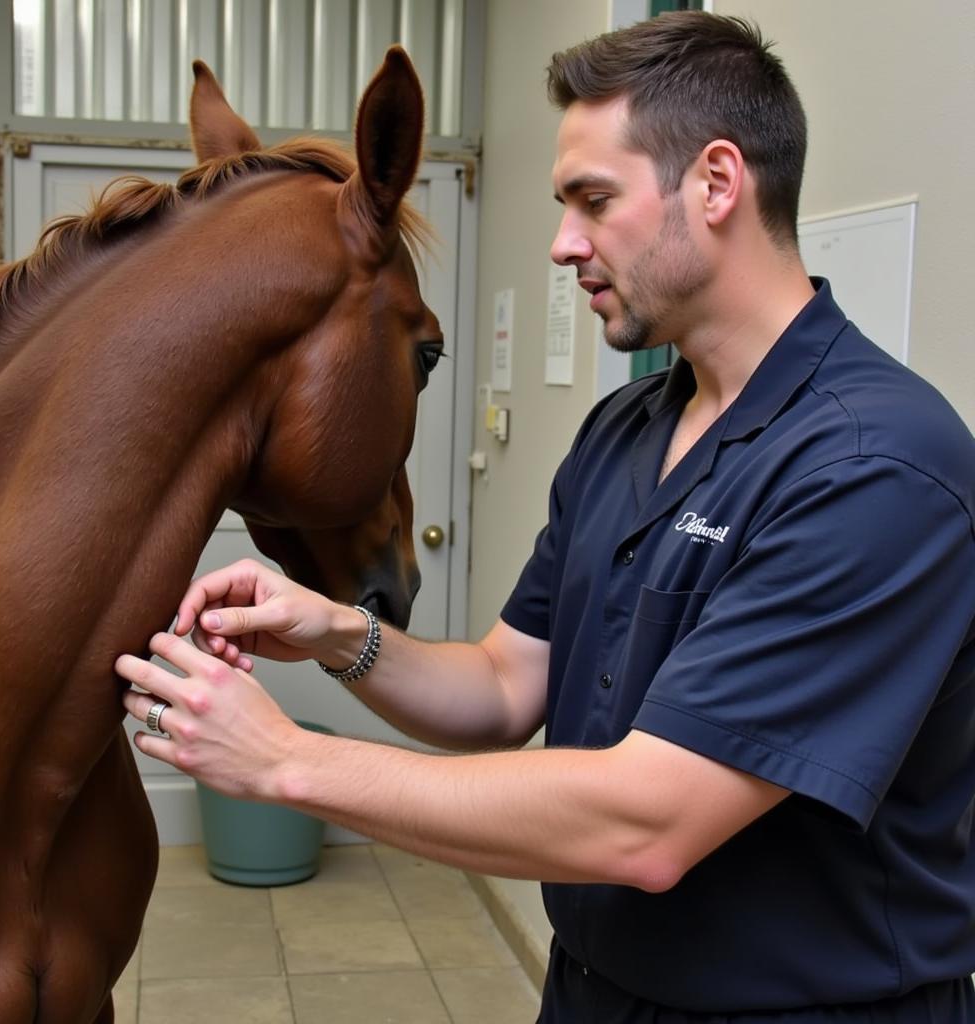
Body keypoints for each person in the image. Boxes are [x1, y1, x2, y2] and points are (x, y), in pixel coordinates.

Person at [116, 12, 975, 1022]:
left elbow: (648, 824)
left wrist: (288, 760)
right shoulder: (624, 429)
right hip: (593, 992)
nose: (564, 244)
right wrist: (339, 633)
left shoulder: (876, 470)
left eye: (593, 201)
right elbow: (500, 685)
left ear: (715, 183)